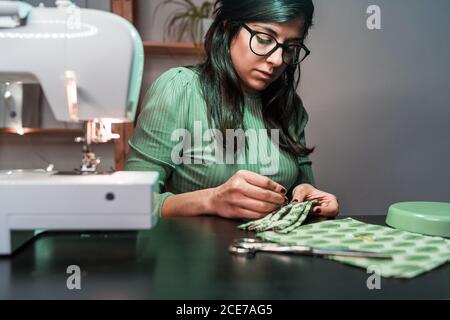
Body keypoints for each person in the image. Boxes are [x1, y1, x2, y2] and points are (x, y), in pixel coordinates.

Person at [126, 0, 339, 219]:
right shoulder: (180, 89)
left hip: (271, 251)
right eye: (264, 39)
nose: (277, 60)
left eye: (291, 47)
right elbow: (131, 202)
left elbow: (302, 187)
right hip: (193, 250)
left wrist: (307, 196)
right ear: (228, 28)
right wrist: (211, 200)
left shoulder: (288, 106)